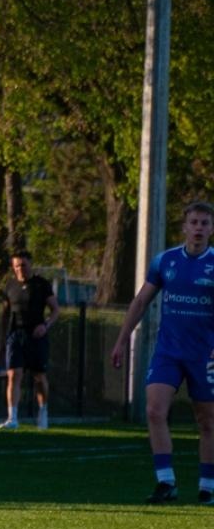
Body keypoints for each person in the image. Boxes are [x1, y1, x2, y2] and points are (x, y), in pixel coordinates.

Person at [109, 200, 214, 505]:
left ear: (211, 228)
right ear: (184, 227)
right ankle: (165, 482)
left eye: (204, 223)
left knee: (207, 421)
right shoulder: (164, 261)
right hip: (168, 351)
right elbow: (140, 302)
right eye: (193, 222)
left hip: (204, 355)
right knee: (154, 410)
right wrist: (121, 340)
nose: (198, 228)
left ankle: (208, 485)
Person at [0, 249, 60, 430]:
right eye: (17, 266)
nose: (20, 269)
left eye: (23, 265)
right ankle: (13, 417)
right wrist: (2, 339)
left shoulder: (41, 285)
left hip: (36, 336)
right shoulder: (10, 286)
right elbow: (5, 313)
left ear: (30, 265)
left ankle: (43, 411)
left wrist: (45, 325)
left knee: (39, 377)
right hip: (15, 335)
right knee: (13, 375)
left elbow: (55, 310)